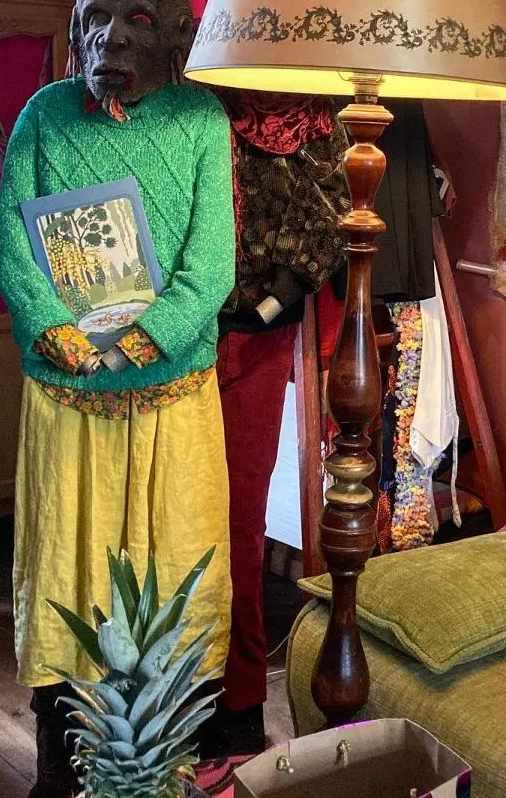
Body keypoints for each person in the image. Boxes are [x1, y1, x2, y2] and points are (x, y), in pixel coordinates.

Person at [0, 0, 235, 798]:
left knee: (172, 572)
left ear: (173, 39)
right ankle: (58, 763)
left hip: (171, 400)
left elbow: (211, 268)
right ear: (75, 33)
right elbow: (14, 244)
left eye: (137, 20)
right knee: (64, 569)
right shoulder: (43, 116)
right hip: (66, 398)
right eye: (96, 19)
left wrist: (140, 343)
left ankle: (159, 767)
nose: (112, 39)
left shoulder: (202, 120)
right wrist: (57, 334)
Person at [201, 90, 348, 756]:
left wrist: (275, 296)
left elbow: (331, 210)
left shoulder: (307, 109)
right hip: (163, 335)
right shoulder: (173, 101)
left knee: (239, 523)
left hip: (252, 334)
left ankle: (238, 699)